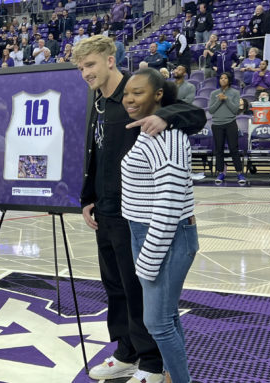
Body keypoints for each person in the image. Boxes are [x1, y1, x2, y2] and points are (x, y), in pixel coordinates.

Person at [72, 35, 206, 383]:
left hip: (135, 214)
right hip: (105, 210)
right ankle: (126, 352)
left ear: (110, 60)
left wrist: (166, 116)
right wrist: (88, 198)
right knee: (114, 286)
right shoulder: (98, 101)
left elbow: (194, 114)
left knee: (136, 288)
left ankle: (150, 362)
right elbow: (97, 154)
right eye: (81, 67)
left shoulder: (137, 96)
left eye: (90, 65)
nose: (85, 72)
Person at [120, 68, 198, 383]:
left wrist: (149, 258)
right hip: (147, 232)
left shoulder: (168, 137)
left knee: (157, 323)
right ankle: (171, 375)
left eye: (137, 92)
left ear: (158, 95)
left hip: (165, 237)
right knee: (166, 317)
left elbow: (170, 203)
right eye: (126, 93)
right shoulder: (150, 130)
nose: (129, 99)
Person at [208, 73, 246, 184]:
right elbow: (211, 110)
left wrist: (226, 99)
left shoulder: (235, 93)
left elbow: (235, 110)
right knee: (219, 150)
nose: (223, 80)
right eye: (221, 78)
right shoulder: (214, 93)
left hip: (230, 123)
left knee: (234, 149)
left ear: (229, 80)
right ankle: (221, 172)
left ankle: (239, 173)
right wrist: (219, 100)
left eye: (225, 78)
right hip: (217, 124)